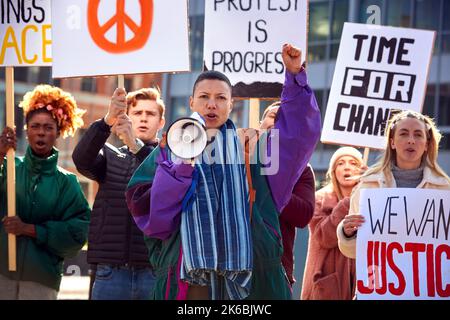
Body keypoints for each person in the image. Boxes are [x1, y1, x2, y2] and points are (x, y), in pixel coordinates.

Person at [126, 43, 321, 300]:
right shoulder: (170, 148)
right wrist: (182, 166)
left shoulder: (251, 147)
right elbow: (153, 215)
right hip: (190, 278)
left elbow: (297, 136)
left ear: (231, 104)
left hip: (253, 274)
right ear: (192, 102)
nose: (212, 105)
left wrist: (294, 77)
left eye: (220, 98)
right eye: (204, 97)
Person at [72, 87, 165, 300]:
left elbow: (164, 179)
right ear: (126, 117)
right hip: (110, 272)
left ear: (161, 122)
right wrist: (107, 120)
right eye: (137, 113)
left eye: (150, 114)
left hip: (153, 272)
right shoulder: (110, 157)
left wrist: (136, 145)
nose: (143, 118)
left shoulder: (170, 160)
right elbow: (81, 160)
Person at [0, 84, 90, 300]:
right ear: (26, 130)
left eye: (48, 127)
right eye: (35, 126)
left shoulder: (67, 183)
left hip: (41, 281)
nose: (41, 132)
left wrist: (31, 230)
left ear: (58, 132)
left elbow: (78, 234)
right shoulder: (9, 167)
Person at [337, 111, 450, 261]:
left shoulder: (444, 189)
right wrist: (347, 233)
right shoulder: (368, 186)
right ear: (392, 142)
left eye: (418, 135)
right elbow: (354, 252)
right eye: (403, 134)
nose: (411, 140)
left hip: (427, 283)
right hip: (379, 282)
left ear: (426, 144)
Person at [259, 102, 316, 289]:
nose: (277, 124)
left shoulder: (302, 170)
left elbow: (303, 215)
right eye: (273, 117)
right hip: (231, 268)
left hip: (276, 270)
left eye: (285, 122)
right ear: (260, 123)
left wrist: (272, 184)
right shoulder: (236, 159)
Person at [301, 147, 364, 300]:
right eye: (341, 163)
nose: (347, 167)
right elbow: (323, 237)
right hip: (326, 285)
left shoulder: (369, 197)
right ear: (333, 171)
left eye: (353, 163)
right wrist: (347, 203)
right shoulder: (319, 199)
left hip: (359, 281)